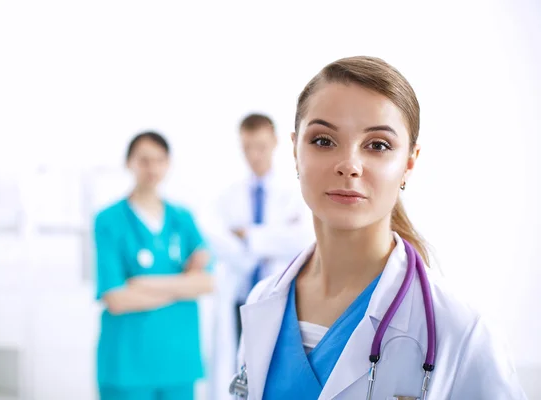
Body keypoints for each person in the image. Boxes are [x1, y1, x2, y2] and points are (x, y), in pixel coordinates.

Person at [234, 57, 527, 399]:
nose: (349, 165)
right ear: (296, 152)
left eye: (378, 145)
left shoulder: (460, 331)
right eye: (324, 141)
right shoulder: (263, 301)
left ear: (409, 163)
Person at [93, 131, 213, 400]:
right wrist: (182, 286)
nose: (153, 168)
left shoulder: (182, 218)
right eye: (144, 160)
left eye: (159, 160)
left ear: (168, 164)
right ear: (129, 163)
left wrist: (144, 283)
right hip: (127, 364)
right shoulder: (108, 220)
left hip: (179, 362)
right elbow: (116, 299)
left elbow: (207, 282)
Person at [204, 114, 314, 399]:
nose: (254, 155)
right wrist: (272, 237)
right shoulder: (227, 197)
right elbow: (219, 242)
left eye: (261, 146)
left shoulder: (296, 194)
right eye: (248, 147)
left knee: (278, 371)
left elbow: (302, 238)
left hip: (281, 296)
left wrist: (249, 236)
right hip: (240, 298)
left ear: (276, 142)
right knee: (240, 372)